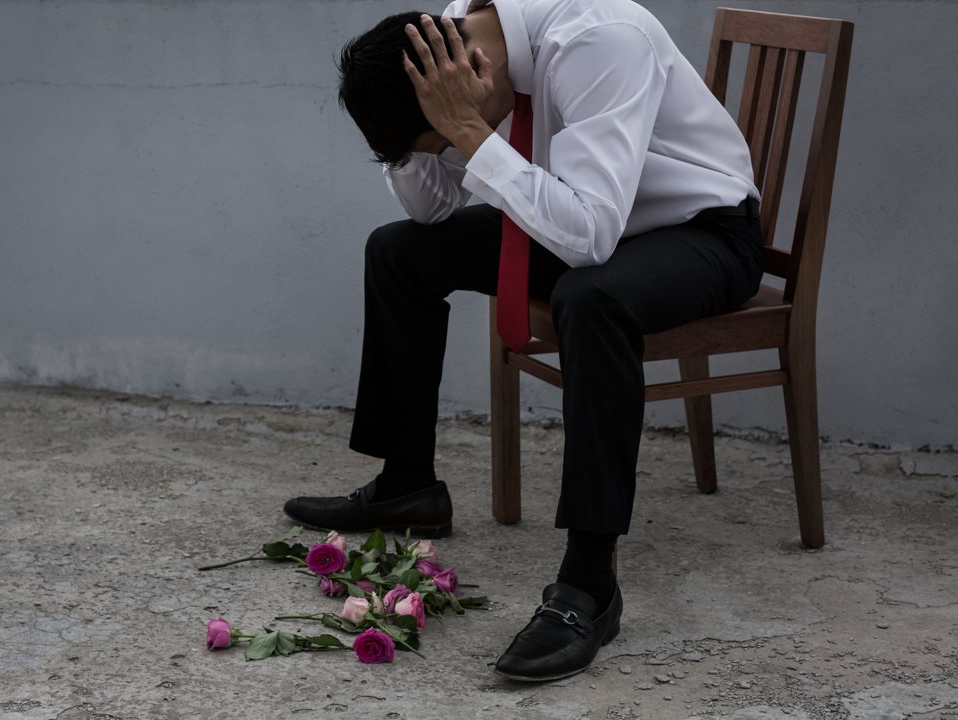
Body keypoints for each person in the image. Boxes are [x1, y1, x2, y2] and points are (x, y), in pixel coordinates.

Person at [284, 0, 764, 682]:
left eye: (442, 137)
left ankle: (589, 584)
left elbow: (592, 236)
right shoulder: (450, 40)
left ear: (475, 68)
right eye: (443, 141)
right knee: (398, 251)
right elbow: (432, 209)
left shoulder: (602, 41)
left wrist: (469, 134)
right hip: (578, 213)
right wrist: (436, 134)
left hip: (699, 230)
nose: (450, 144)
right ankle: (407, 485)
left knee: (590, 298)